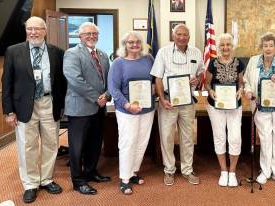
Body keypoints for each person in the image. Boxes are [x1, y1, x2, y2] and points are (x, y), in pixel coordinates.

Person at [1, 16, 66, 203]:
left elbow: (61, 82)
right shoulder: (13, 51)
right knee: (26, 146)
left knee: (51, 144)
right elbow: (6, 82)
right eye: (30, 29)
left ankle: (46, 179)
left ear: (45, 31)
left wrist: (60, 105)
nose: (33, 32)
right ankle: (30, 184)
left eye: (37, 29)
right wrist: (9, 111)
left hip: (49, 103)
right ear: (26, 31)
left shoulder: (56, 52)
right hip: (24, 106)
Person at [150, 24, 204, 186]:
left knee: (187, 136)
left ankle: (187, 170)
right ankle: (169, 170)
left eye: (185, 35)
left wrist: (198, 78)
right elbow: (158, 78)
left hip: (187, 101)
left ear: (189, 36)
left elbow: (201, 72)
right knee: (166, 136)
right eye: (179, 34)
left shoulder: (196, 52)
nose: (182, 37)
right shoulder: (163, 52)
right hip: (168, 101)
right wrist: (161, 98)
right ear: (173, 36)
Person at [63, 22, 111, 195]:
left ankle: (91, 172)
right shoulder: (72, 53)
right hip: (79, 108)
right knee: (77, 146)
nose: (91, 36)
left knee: (95, 142)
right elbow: (74, 79)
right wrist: (96, 97)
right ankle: (78, 180)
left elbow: (108, 79)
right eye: (87, 34)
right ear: (80, 36)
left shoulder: (103, 55)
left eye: (94, 33)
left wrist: (106, 95)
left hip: (99, 108)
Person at [108, 31, 155, 195]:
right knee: (128, 142)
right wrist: (127, 105)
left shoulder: (148, 59)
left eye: (137, 42)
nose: (134, 45)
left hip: (147, 108)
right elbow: (113, 89)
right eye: (130, 42)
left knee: (142, 142)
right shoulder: (118, 63)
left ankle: (133, 171)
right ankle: (124, 179)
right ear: (124, 45)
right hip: (127, 110)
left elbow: (156, 80)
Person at [244, 32, 275, 187]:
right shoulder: (253, 61)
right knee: (265, 137)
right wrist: (248, 90)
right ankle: (265, 171)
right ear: (261, 47)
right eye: (265, 45)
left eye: (271, 45)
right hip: (260, 105)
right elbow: (246, 80)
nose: (268, 48)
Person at [204, 33, 244, 187]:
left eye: (228, 45)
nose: (225, 47)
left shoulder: (239, 63)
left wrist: (241, 90)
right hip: (216, 106)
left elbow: (240, 83)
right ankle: (223, 171)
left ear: (232, 47)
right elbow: (207, 83)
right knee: (219, 136)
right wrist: (210, 91)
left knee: (235, 137)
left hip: (234, 105)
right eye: (222, 45)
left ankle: (232, 172)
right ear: (218, 47)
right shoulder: (212, 63)